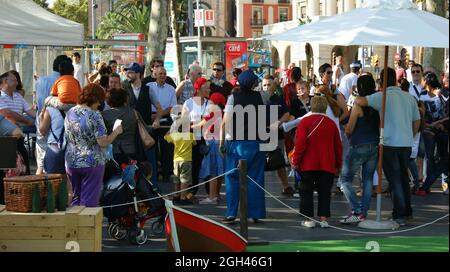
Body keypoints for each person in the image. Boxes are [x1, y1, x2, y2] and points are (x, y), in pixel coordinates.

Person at [356, 67, 421, 226]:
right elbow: (417, 120)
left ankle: (399, 214)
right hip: (405, 143)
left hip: (389, 143)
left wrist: (358, 94)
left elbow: (360, 101)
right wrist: (410, 135)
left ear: (382, 80)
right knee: (403, 178)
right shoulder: (408, 97)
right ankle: (407, 211)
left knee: (395, 180)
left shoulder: (381, 96)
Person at [65, 83, 123, 207]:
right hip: (92, 162)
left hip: (71, 161)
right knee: (88, 203)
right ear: (95, 99)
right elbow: (103, 142)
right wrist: (116, 132)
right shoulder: (95, 115)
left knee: (75, 199)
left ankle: (73, 226)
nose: (99, 105)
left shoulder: (70, 112)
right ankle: (87, 226)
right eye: (99, 102)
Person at [220, 70, 266, 224]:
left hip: (236, 143)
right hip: (255, 142)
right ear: (253, 83)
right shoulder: (261, 97)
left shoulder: (233, 98)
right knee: (255, 178)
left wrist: (221, 143)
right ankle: (255, 213)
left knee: (232, 178)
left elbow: (226, 121)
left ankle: (231, 213)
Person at [292, 95, 343, 228]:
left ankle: (308, 219)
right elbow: (338, 145)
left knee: (306, 191)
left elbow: (300, 144)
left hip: (308, 164)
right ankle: (323, 218)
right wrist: (339, 164)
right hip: (327, 164)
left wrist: (295, 161)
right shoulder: (331, 123)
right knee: (325, 192)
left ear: (311, 106)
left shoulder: (305, 122)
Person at [339, 74, 379, 224]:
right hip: (374, 145)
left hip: (358, 145)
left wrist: (347, 133)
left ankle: (356, 210)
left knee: (345, 180)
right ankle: (364, 212)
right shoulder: (377, 104)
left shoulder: (358, 105)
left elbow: (349, 129)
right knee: (368, 180)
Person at [35, 55, 70, 175]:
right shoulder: (65, 81)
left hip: (42, 119)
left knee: (41, 161)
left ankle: (38, 189)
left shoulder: (40, 80)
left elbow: (39, 103)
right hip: (59, 124)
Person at [416, 71, 449, 196]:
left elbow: (447, 113)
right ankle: (427, 184)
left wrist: (439, 123)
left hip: (442, 129)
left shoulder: (443, 93)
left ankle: (445, 183)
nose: (422, 82)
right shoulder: (422, 94)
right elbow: (421, 112)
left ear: (427, 81)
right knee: (429, 157)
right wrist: (427, 125)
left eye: (423, 80)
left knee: (443, 157)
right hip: (428, 130)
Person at [102, 88, 150, 164]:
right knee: (131, 174)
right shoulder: (134, 112)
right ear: (125, 99)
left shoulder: (104, 115)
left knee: (114, 175)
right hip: (132, 150)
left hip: (112, 152)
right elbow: (146, 129)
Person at [262, 75, 293, 196]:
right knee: (259, 162)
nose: (266, 87)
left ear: (274, 86)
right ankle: (257, 186)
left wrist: (278, 123)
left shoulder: (279, 99)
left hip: (277, 134)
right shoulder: (258, 98)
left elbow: (287, 114)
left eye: (269, 84)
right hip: (261, 136)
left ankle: (285, 186)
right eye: (264, 85)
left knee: (279, 162)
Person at [181, 77, 211, 198]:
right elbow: (183, 121)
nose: (209, 90)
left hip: (206, 139)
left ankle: (211, 193)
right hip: (192, 139)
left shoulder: (210, 103)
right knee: (193, 166)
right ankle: (191, 191)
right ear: (198, 89)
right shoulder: (189, 102)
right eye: (207, 87)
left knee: (207, 166)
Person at [148, 67, 177, 183]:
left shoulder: (170, 89)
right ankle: (153, 172)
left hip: (165, 120)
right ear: (155, 74)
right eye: (160, 74)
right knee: (151, 147)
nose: (162, 76)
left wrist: (159, 116)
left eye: (164, 74)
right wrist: (153, 116)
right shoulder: (149, 86)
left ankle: (166, 173)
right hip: (151, 120)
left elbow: (172, 107)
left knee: (167, 148)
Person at [199, 92, 227, 204]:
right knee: (219, 170)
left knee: (212, 171)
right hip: (219, 143)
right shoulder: (221, 114)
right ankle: (217, 194)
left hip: (212, 143)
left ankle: (211, 197)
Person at [164, 116, 196, 205]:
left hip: (176, 160)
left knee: (176, 178)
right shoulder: (190, 135)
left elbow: (166, 137)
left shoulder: (175, 136)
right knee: (184, 180)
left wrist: (172, 128)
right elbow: (194, 143)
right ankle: (183, 197)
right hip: (186, 160)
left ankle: (176, 195)